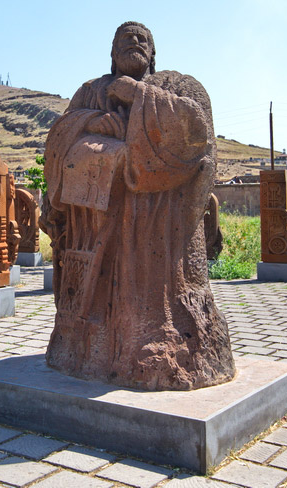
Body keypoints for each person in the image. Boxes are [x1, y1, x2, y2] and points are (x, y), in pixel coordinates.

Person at [40, 21, 235, 390]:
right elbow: (61, 136)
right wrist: (97, 121)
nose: (133, 41)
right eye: (124, 39)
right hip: (96, 220)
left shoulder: (177, 85)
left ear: (153, 53)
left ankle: (169, 344)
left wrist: (139, 96)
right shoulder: (89, 91)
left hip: (160, 222)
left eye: (142, 38)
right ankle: (85, 349)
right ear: (112, 54)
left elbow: (198, 131)